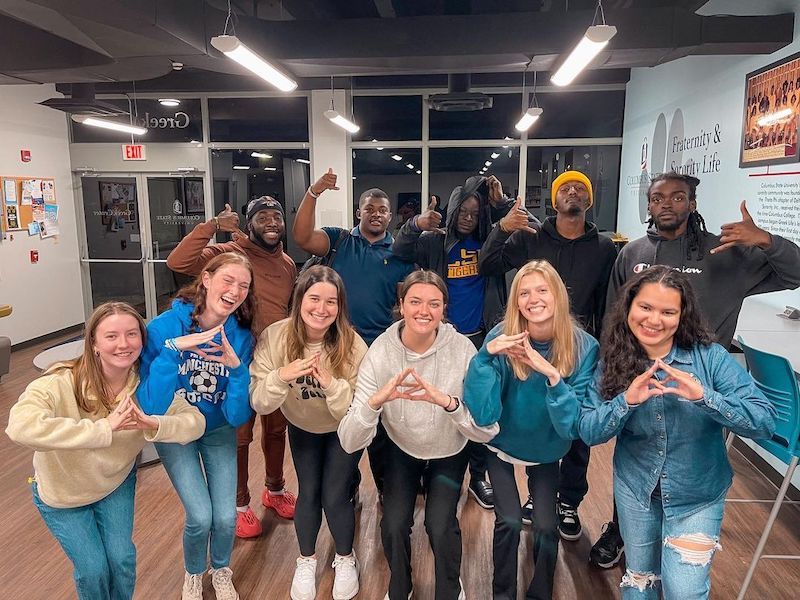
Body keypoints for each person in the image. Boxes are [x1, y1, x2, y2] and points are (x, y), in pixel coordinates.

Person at [592, 171, 800, 568]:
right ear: (649, 205)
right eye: (657, 198)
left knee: (693, 464)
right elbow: (613, 314)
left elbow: (795, 272)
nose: (666, 204)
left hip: (704, 382)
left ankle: (682, 534)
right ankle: (623, 529)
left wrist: (767, 242)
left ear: (692, 203)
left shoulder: (727, 253)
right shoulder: (633, 253)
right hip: (640, 376)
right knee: (636, 460)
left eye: (677, 197)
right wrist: (610, 367)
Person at [567, 266, 775, 599]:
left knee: (684, 591)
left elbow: (764, 421)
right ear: (629, 308)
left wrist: (705, 397)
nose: (654, 320)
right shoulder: (613, 360)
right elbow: (588, 431)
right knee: (640, 583)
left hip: (697, 496)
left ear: (682, 316)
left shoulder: (711, 359)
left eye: (668, 312)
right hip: (636, 491)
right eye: (645, 308)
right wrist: (625, 402)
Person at [6, 302, 205, 600]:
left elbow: (195, 422)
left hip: (114, 483)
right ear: (94, 343)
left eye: (131, 334)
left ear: (142, 339)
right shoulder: (61, 380)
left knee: (122, 560)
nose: (123, 344)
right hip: (63, 494)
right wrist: (104, 428)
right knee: (93, 569)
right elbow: (20, 426)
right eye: (111, 336)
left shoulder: (147, 388)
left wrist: (154, 422)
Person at [338, 270, 496, 600]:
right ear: (401, 305)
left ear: (444, 309)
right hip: (401, 447)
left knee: (440, 525)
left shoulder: (463, 350)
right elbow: (350, 440)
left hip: (449, 449)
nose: (424, 311)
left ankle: (451, 589)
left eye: (434, 304)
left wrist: (448, 403)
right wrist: (376, 402)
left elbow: (485, 431)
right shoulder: (380, 351)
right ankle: (402, 585)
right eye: (415, 301)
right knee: (394, 523)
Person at [478, 170, 616, 541]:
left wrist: (603, 350)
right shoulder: (532, 238)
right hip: (530, 340)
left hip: (577, 345)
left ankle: (567, 501)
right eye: (565, 188)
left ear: (589, 200)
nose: (573, 192)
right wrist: (503, 228)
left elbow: (608, 301)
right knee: (535, 417)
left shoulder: (604, 248)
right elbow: (487, 264)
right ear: (554, 202)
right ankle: (537, 495)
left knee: (576, 428)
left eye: (581, 188)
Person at [463, 260, 599, 600]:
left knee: (545, 526)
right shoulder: (500, 337)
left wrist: (552, 375)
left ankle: (541, 592)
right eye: (524, 292)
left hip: (548, 447)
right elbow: (483, 415)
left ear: (558, 295)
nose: (533, 299)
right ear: (515, 300)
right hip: (503, 442)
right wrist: (482, 361)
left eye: (542, 290)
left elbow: (570, 426)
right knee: (508, 521)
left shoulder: (583, 347)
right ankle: (503, 594)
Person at [167, 196, 297, 538]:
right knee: (240, 436)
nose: (271, 222)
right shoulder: (227, 254)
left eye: (277, 217)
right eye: (262, 217)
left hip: (274, 362)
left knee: (275, 430)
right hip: (232, 359)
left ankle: (275, 489)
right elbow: (178, 261)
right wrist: (211, 226)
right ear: (249, 223)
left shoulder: (287, 263)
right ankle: (239, 505)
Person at [392, 174, 518, 510]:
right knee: (432, 403)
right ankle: (427, 469)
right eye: (463, 211)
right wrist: (415, 224)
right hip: (439, 338)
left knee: (475, 408)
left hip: (477, 338)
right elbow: (400, 249)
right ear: (452, 212)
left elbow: (520, 235)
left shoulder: (489, 244)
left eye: (475, 213)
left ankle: (477, 477)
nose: (468, 217)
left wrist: (503, 205)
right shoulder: (435, 242)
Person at [138, 252, 256, 600]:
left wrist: (236, 370)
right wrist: (175, 350)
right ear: (206, 279)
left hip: (218, 428)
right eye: (228, 280)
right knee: (200, 516)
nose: (235, 291)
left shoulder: (241, 336)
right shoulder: (162, 329)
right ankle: (193, 573)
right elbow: (151, 407)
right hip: (175, 429)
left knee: (225, 518)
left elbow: (237, 417)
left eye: (244, 286)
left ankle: (220, 569)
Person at [293, 168, 415, 500]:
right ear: (358, 211)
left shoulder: (402, 252)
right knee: (346, 421)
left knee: (382, 429)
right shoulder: (340, 240)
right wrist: (314, 192)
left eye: (382, 210)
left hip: (382, 354)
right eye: (369, 208)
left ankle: (388, 492)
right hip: (339, 351)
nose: (376, 214)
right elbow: (303, 237)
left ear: (390, 216)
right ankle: (347, 489)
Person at [249, 266, 368, 600]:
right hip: (303, 427)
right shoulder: (275, 337)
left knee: (334, 494)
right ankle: (306, 560)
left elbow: (356, 410)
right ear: (300, 299)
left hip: (343, 428)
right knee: (309, 491)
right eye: (314, 298)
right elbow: (259, 401)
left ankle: (345, 558)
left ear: (340, 306)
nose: (321, 308)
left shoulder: (353, 345)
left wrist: (331, 385)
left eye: (331, 301)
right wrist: (281, 376)